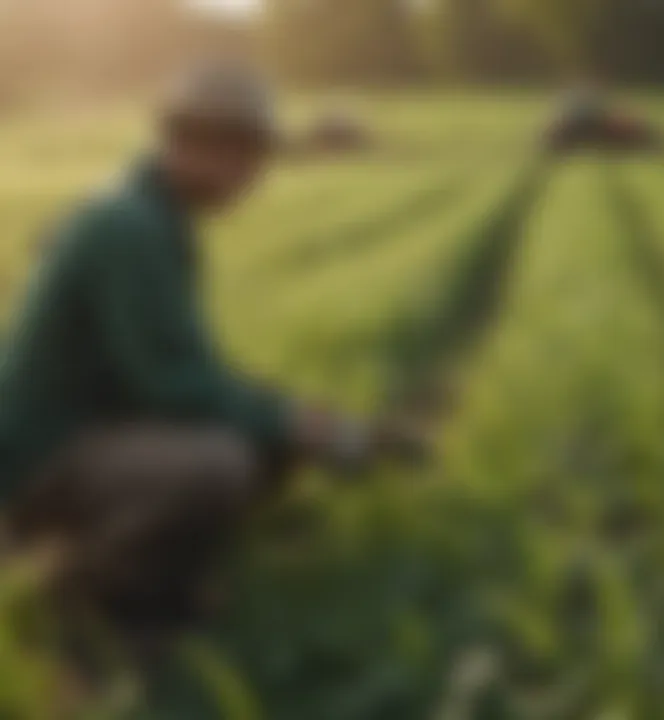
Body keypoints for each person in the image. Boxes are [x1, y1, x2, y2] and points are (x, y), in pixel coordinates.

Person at [0, 64, 427, 670]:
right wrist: (308, 426)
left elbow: (179, 371)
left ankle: (148, 561)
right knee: (216, 463)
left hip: (87, 430)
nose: (254, 178)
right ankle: (89, 601)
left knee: (267, 431)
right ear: (196, 145)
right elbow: (170, 385)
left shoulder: (151, 213)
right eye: (248, 158)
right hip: (35, 455)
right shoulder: (129, 226)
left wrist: (288, 417)